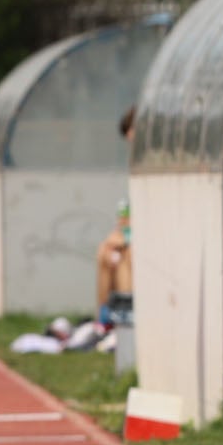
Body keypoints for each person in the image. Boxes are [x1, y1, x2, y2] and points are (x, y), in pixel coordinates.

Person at [95, 105, 135, 322]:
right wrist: (119, 235)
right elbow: (128, 218)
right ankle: (104, 319)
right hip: (135, 236)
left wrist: (126, 238)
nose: (130, 138)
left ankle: (126, 319)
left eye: (133, 130)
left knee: (126, 255)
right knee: (107, 252)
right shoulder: (136, 169)